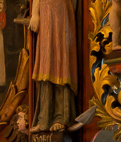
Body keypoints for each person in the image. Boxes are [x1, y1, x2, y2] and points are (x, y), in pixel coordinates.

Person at [29, 0, 78, 132]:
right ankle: (44, 118)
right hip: (45, 13)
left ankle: (61, 117)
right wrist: (35, 14)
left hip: (60, 11)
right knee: (45, 62)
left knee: (59, 61)